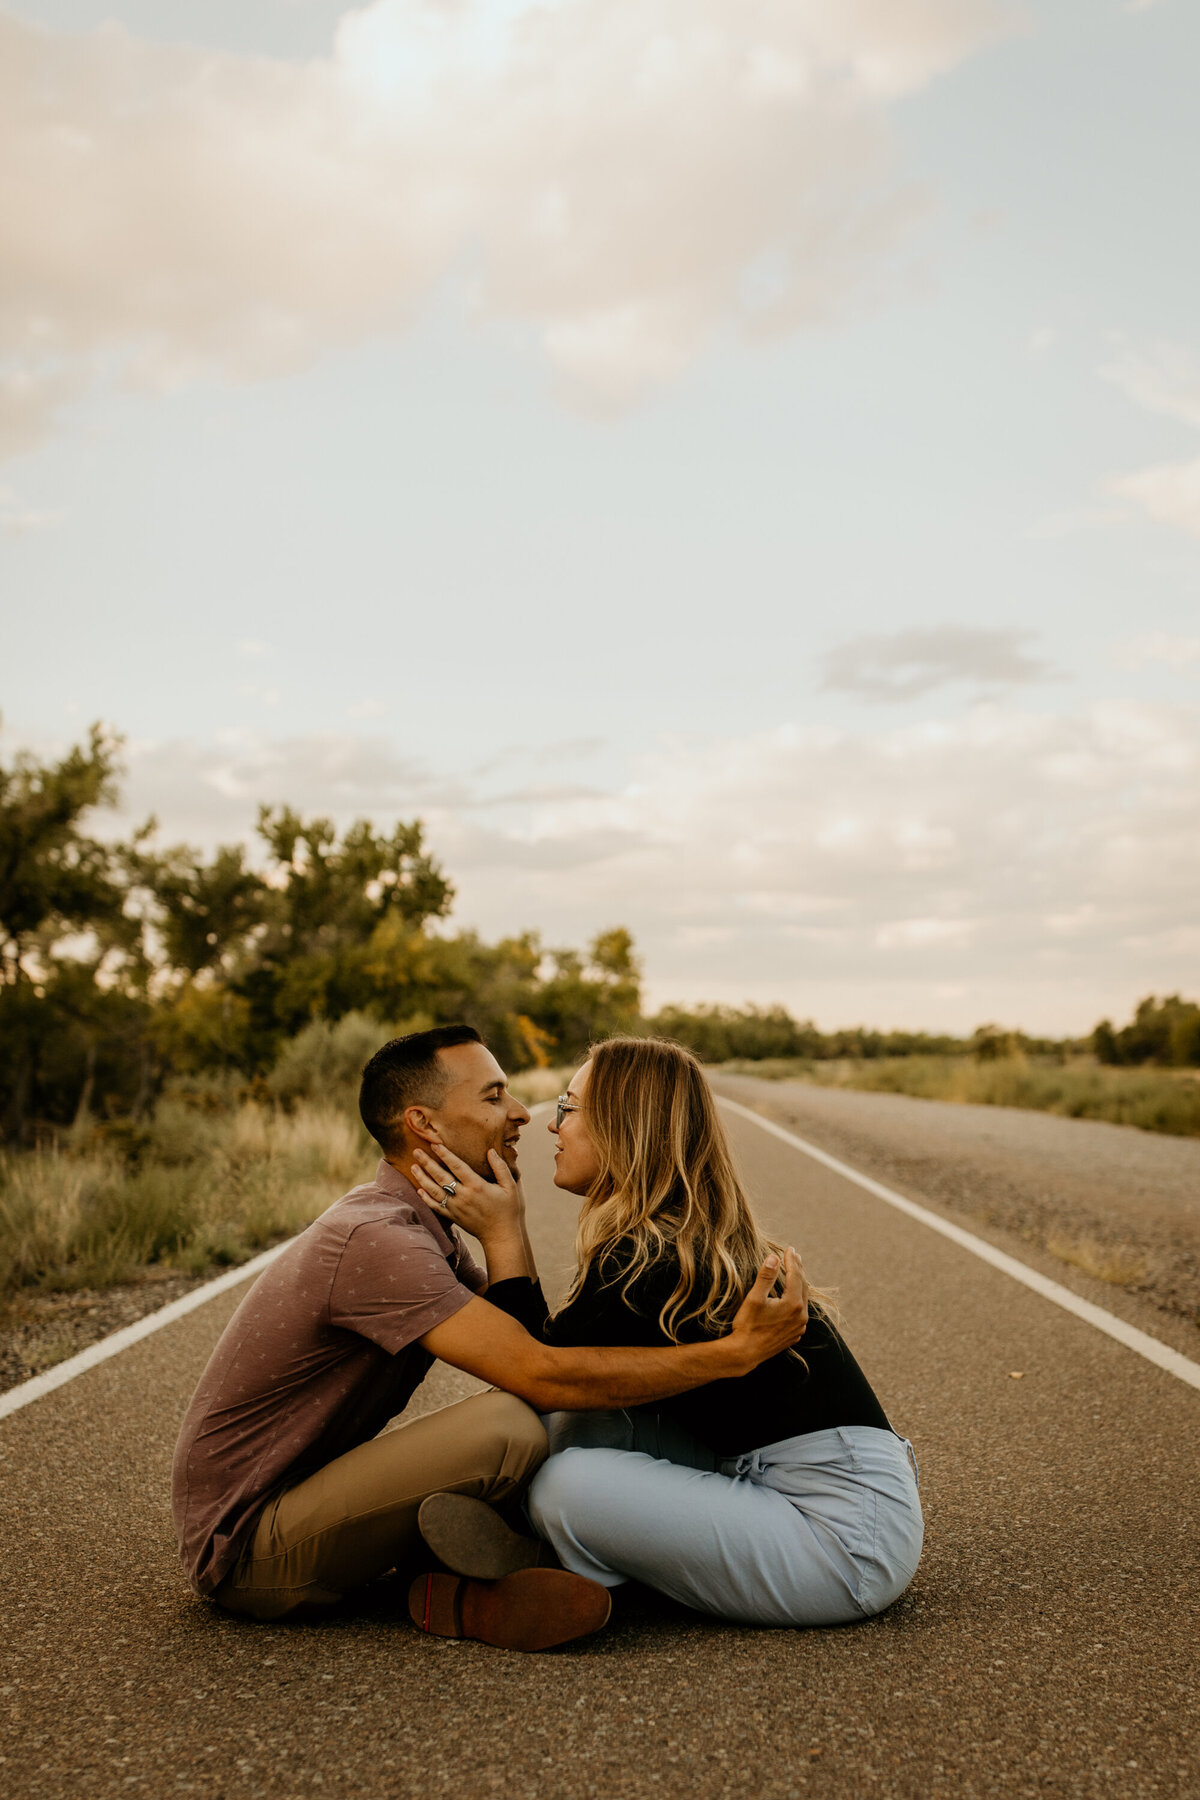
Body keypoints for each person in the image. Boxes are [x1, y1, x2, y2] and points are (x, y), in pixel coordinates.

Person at [171, 1025, 808, 1653]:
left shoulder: (418, 1230)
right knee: (510, 1427)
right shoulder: (377, 1240)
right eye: (494, 1096)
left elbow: (538, 1344)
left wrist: (505, 1230)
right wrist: (732, 1356)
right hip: (249, 1549)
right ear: (424, 1124)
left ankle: (476, 1572)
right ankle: (505, 1569)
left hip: (305, 1498)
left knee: (559, 1417)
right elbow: (538, 1375)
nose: (522, 1113)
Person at [408, 1035, 923, 1630]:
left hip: (843, 1543)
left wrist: (501, 1234)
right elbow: (555, 1373)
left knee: (565, 1482)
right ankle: (562, 1555)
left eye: (569, 1109)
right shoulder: (667, 1239)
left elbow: (537, 1376)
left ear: (625, 1128)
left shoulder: (649, 1260)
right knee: (579, 1423)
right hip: (791, 1483)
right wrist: (508, 1229)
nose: (552, 1125)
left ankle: (548, 1561)